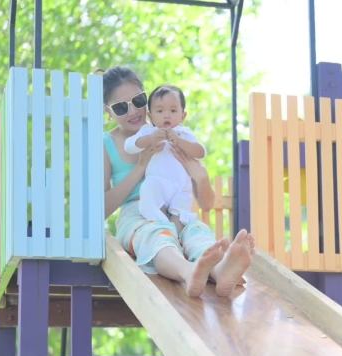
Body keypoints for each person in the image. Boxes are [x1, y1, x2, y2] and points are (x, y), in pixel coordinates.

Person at [100, 65, 254, 298]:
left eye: (139, 101)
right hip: (136, 215)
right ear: (108, 112)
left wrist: (200, 177)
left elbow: (207, 204)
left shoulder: (173, 132)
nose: (133, 111)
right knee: (156, 234)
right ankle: (189, 271)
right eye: (121, 107)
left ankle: (220, 271)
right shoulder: (107, 144)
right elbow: (100, 209)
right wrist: (141, 166)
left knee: (197, 232)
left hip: (176, 210)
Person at [124, 84, 204, 226]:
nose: (167, 115)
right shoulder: (148, 131)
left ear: (183, 116)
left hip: (180, 189)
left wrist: (180, 141)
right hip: (157, 183)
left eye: (173, 110)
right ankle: (163, 225)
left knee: (180, 215)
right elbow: (129, 146)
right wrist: (149, 140)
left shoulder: (184, 133)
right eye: (160, 111)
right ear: (151, 116)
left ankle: (174, 234)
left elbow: (200, 152)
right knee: (149, 193)